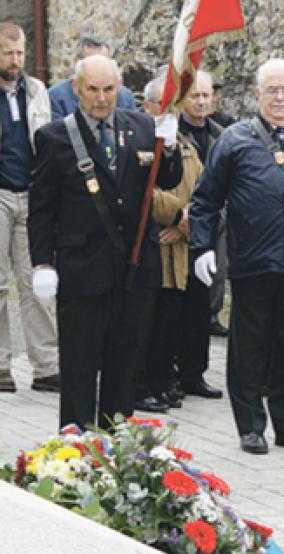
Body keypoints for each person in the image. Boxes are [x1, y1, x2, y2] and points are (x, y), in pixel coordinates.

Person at [28, 55, 182, 428]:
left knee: (124, 361)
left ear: (119, 89)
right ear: (78, 89)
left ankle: (115, 447)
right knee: (80, 366)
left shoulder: (143, 127)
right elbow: (43, 208)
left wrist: (172, 146)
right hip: (83, 267)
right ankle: (77, 449)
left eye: (109, 89)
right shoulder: (55, 137)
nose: (101, 98)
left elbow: (168, 178)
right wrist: (42, 263)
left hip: (134, 266)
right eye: (93, 89)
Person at [190, 58, 284, 455]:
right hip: (251, 261)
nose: (280, 98)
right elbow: (205, 201)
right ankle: (250, 426)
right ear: (258, 94)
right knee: (249, 347)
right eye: (272, 90)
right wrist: (202, 247)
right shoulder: (235, 139)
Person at [0, 23, 59, 394]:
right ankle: (1, 366)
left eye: (20, 52)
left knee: (35, 282)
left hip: (32, 194)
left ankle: (47, 366)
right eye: (8, 53)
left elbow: (48, 142)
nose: (16, 60)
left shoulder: (37, 91)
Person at [173, 70, 224, 400]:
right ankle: (173, 371)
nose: (202, 101)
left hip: (212, 229)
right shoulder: (170, 132)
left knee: (202, 304)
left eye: (206, 96)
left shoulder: (222, 134)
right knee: (176, 305)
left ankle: (195, 372)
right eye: (195, 96)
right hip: (177, 230)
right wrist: (180, 216)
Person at [48, 37, 136, 120]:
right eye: (91, 63)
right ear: (76, 62)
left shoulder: (125, 97)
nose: (102, 98)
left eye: (103, 63)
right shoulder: (56, 98)